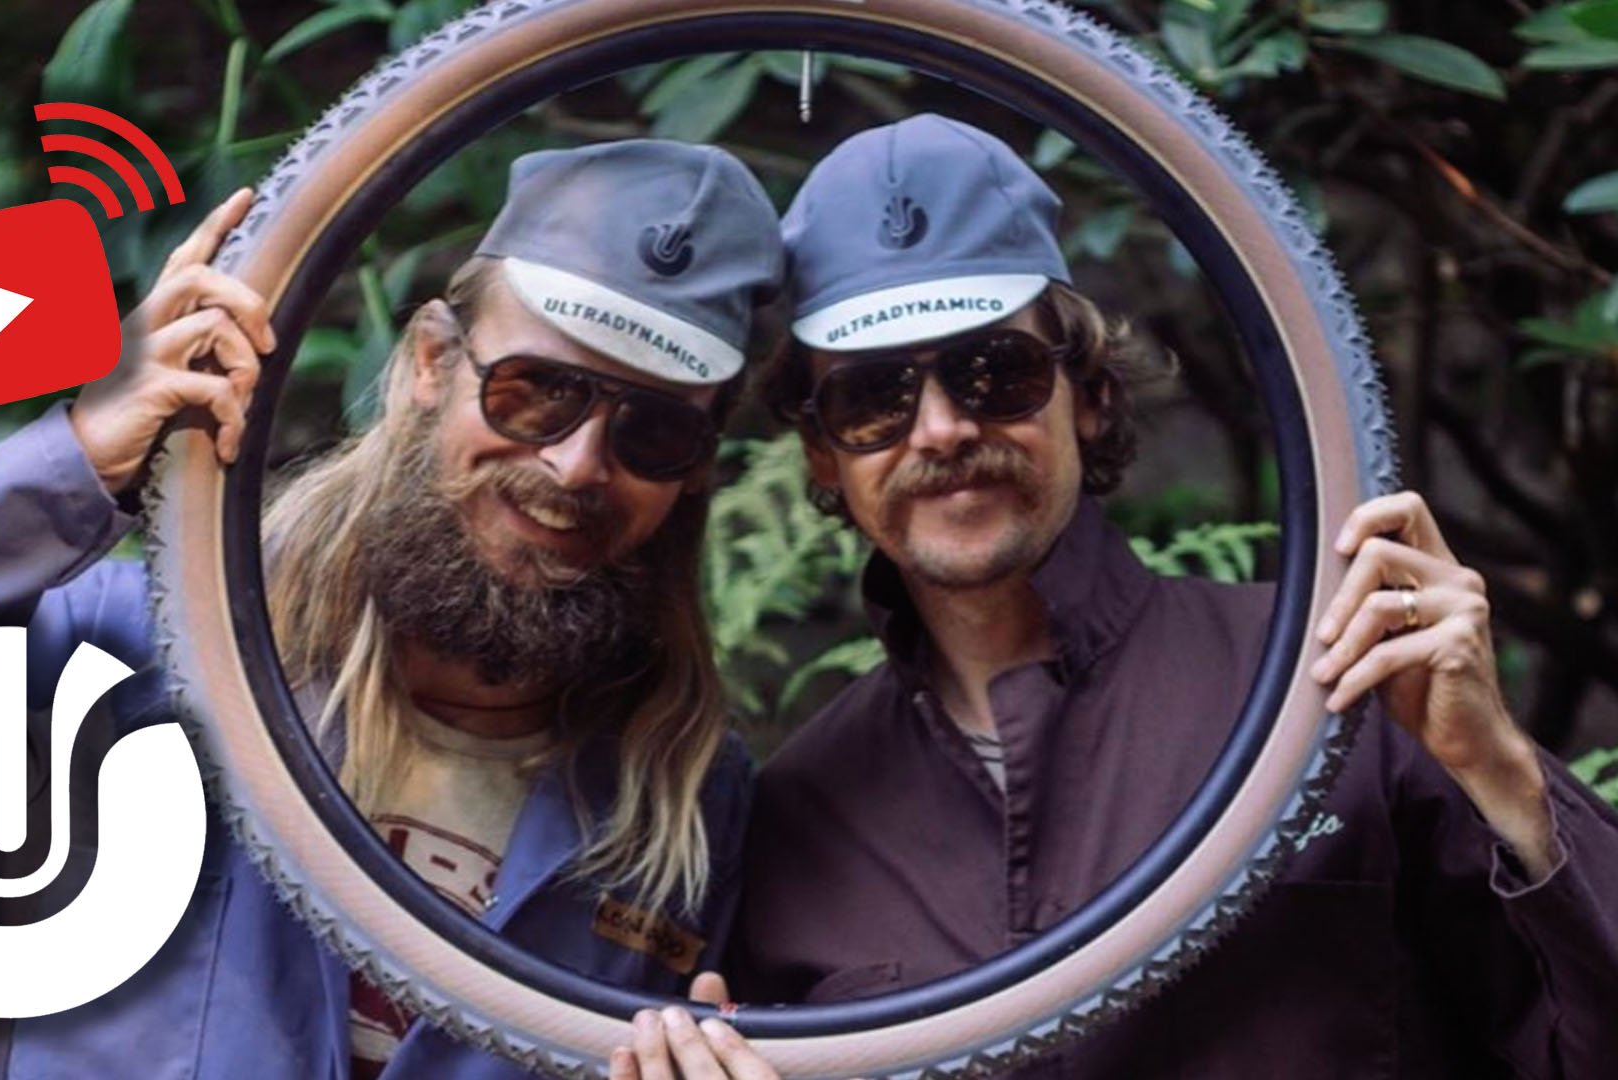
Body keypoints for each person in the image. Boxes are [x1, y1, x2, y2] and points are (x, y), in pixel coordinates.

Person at [0, 139, 785, 1079]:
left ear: (696, 468)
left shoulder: (686, 798)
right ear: (430, 362)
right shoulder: (139, 650)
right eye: (535, 392)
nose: (576, 463)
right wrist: (71, 467)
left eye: (653, 432)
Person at [611, 115, 1618, 1079]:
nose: (942, 429)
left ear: (1089, 397)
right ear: (823, 456)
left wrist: (1502, 774)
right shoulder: (798, 820)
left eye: (993, 372)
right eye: (873, 397)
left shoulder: (1337, 682)